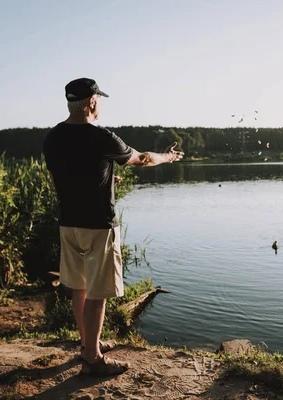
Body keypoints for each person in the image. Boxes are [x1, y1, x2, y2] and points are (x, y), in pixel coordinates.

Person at [43, 78, 184, 376]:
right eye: (100, 100)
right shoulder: (103, 137)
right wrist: (168, 157)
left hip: (68, 224)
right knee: (98, 292)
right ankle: (92, 360)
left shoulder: (53, 137)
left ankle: (87, 344)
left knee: (79, 287)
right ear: (92, 102)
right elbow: (142, 159)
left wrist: (105, 178)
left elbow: (65, 177)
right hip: (99, 225)